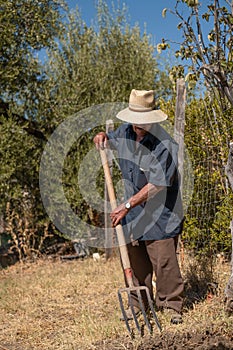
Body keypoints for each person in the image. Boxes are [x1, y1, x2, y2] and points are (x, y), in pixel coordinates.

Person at [94, 89, 184, 324]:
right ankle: (138, 305)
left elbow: (157, 185)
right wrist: (102, 136)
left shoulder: (165, 145)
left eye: (142, 122)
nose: (137, 126)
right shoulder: (125, 131)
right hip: (133, 214)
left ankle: (171, 305)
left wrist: (126, 204)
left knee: (163, 261)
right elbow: (110, 139)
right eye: (135, 121)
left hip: (161, 212)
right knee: (135, 260)